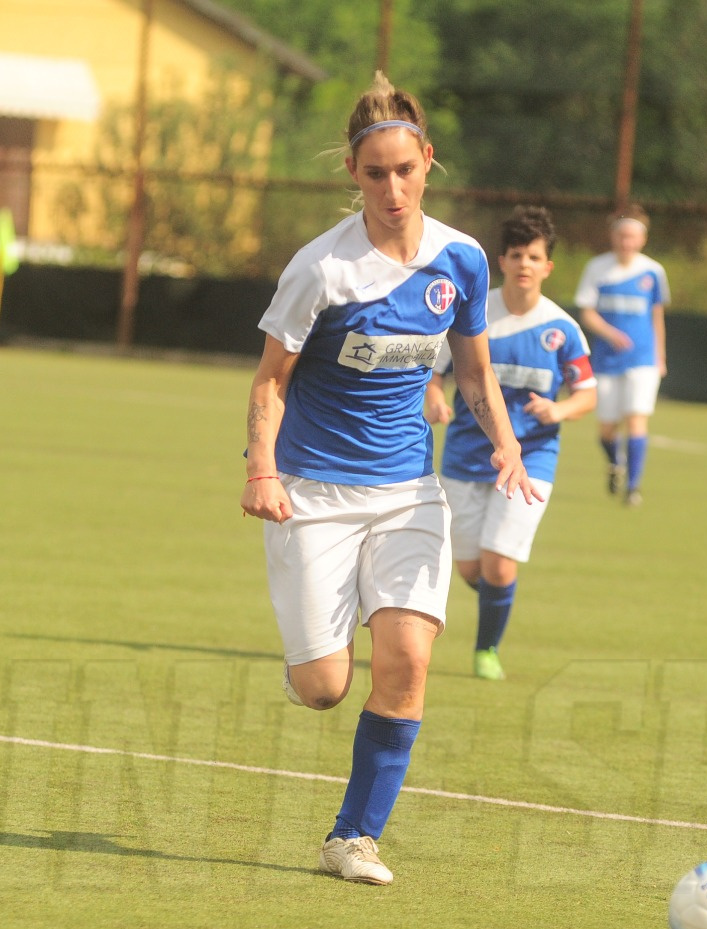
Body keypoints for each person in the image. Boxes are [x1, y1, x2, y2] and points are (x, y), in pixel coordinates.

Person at [241, 72, 539, 886]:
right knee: (325, 687)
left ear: (428, 162)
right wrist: (261, 468)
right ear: (352, 172)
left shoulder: (463, 260)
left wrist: (506, 444)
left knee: (408, 659)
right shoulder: (320, 270)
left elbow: (474, 373)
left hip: (411, 491)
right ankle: (310, 654)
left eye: (406, 170)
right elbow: (270, 380)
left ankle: (354, 837)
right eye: (375, 173)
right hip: (314, 495)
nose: (393, 187)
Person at [425, 205, 595, 682]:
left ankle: (487, 650)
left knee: (499, 565)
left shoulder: (562, 330)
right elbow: (434, 376)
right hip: (464, 457)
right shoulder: (472, 316)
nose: (524, 263)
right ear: (501, 261)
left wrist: (558, 410)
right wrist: (436, 400)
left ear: (547, 267)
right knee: (471, 569)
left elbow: (587, 394)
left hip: (531, 458)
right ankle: (499, 605)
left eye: (534, 256)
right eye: (516, 254)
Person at [573, 205, 669, 507]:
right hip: (606, 361)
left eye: (632, 236)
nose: (626, 242)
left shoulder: (653, 271)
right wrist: (611, 333)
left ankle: (633, 488)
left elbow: (657, 317)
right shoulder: (598, 268)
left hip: (642, 360)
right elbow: (586, 312)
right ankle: (616, 462)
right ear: (613, 237)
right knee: (607, 428)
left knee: (637, 420)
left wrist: (660, 357)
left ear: (642, 239)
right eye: (621, 236)